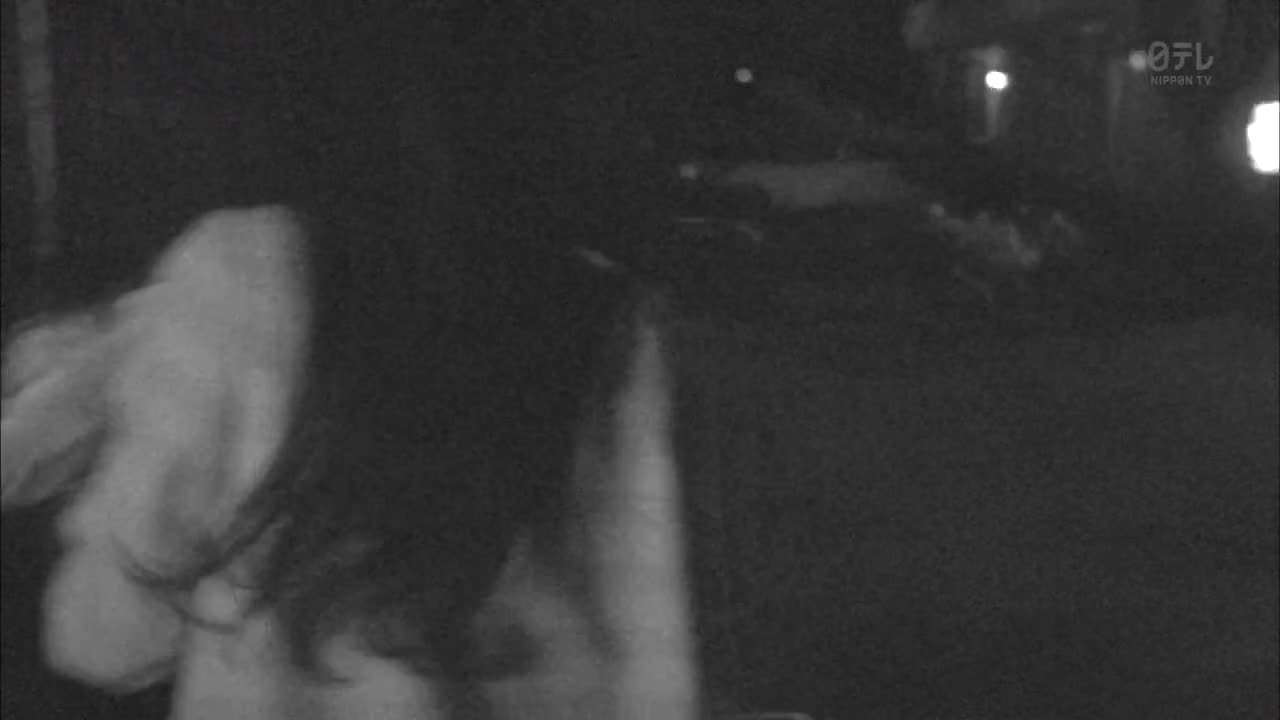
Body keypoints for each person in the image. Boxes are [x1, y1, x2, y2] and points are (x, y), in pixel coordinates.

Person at [1, 202, 699, 719]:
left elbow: (105, 639)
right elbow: (653, 660)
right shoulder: (614, 311)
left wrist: (96, 478)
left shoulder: (237, 269)